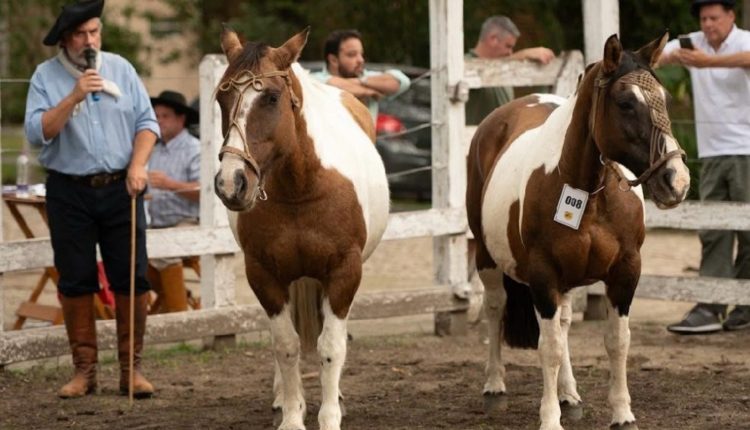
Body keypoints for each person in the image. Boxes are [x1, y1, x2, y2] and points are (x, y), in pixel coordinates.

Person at [24, 0, 159, 398]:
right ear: (66, 39)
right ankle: (84, 372)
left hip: (122, 186)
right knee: (76, 277)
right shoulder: (45, 76)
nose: (90, 41)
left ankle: (131, 370)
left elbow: (147, 123)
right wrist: (73, 96)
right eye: (81, 34)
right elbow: (36, 132)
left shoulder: (121, 69)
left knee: (132, 275)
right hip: (69, 190)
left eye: (95, 32)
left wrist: (138, 165)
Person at [658, 0, 750, 334]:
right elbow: (654, 56)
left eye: (714, 17)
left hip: (746, 150)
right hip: (711, 153)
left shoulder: (744, 41)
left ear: (731, 16)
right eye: (703, 18)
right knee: (713, 231)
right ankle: (711, 305)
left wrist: (706, 62)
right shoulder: (692, 42)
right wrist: (669, 57)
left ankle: (744, 305)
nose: (708, 24)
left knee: (749, 232)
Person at [147, 90, 201, 313]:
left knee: (166, 250)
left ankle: (178, 313)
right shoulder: (154, 149)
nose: (159, 121)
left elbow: (204, 191)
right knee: (128, 250)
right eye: (156, 116)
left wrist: (170, 184)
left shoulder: (195, 148)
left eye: (165, 116)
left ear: (181, 119)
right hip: (156, 223)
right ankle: (175, 298)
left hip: (188, 222)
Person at [465, 15, 555, 125]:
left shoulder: (505, 69)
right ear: (493, 39)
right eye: (508, 46)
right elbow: (482, 70)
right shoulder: (464, 64)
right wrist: (523, 54)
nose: (510, 52)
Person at [311, 29, 411, 120]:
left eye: (361, 54)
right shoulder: (312, 80)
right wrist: (369, 91)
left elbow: (402, 81)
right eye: (352, 54)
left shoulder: (365, 77)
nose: (361, 60)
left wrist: (362, 81)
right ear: (333, 60)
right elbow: (329, 85)